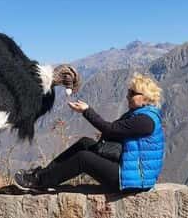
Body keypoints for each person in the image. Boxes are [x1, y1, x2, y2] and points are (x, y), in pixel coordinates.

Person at [14, 73, 165, 192]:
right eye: (128, 92)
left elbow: (110, 129)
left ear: (145, 97)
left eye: (132, 93)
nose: (127, 96)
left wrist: (86, 111)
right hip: (128, 170)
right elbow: (113, 131)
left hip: (133, 181)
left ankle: (39, 182)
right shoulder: (139, 114)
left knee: (84, 158)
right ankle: (43, 175)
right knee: (85, 143)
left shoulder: (145, 121)